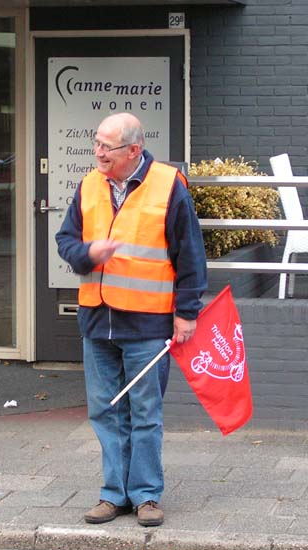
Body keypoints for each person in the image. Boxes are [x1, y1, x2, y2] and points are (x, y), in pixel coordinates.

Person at [56, 112, 207, 527]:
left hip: (147, 324)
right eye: (97, 143)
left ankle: (145, 496)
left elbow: (190, 254)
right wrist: (87, 254)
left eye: (107, 146)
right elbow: (65, 240)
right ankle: (113, 494)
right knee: (105, 412)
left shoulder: (168, 185)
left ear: (133, 150)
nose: (98, 152)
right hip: (97, 320)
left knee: (145, 413)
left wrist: (186, 314)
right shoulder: (89, 184)